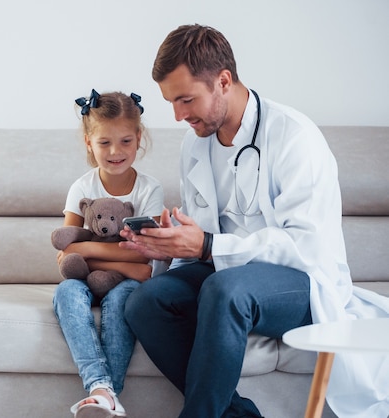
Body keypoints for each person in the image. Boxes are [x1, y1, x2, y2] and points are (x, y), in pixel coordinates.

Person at [119, 24, 389, 418]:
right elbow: (200, 235)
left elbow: (304, 247)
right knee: (145, 302)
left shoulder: (294, 138)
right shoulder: (196, 143)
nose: (178, 115)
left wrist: (210, 245)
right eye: (171, 102)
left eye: (186, 99)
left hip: (301, 284)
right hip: (223, 274)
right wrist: (168, 242)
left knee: (227, 289)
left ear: (223, 81)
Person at [53, 89, 164, 418]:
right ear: (89, 143)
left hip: (126, 285)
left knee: (121, 299)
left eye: (126, 141)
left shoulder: (149, 190)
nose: (116, 152)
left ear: (138, 138)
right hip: (88, 279)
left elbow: (147, 256)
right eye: (104, 143)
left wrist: (88, 249)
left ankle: (105, 394)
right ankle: (102, 387)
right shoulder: (82, 189)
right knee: (66, 290)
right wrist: (119, 260)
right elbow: (66, 253)